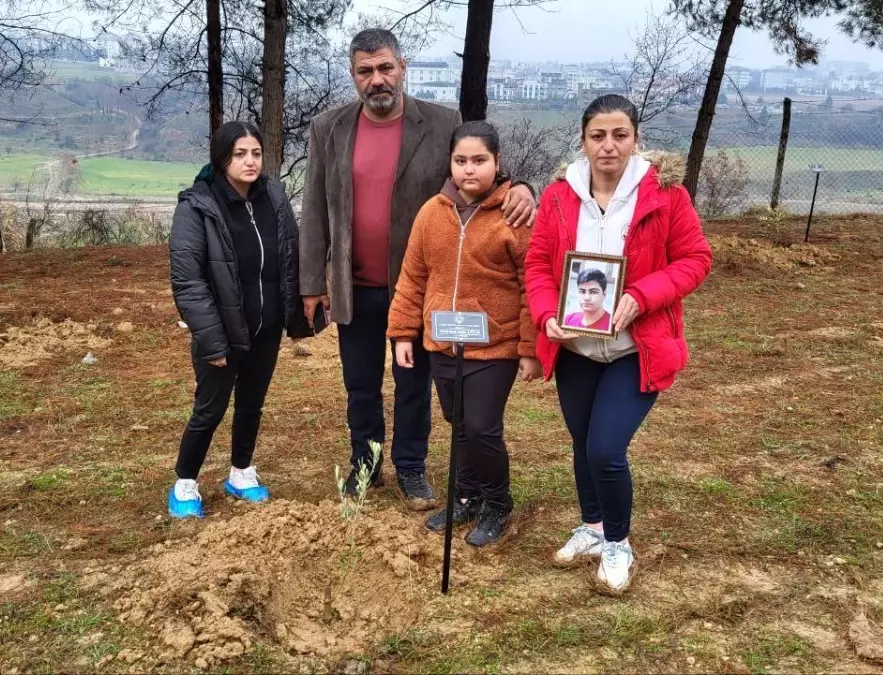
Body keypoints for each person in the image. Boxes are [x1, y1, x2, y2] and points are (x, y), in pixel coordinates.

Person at [299, 28, 537, 508]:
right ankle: (365, 465)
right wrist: (311, 284)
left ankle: (411, 468)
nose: (377, 79)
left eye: (385, 67)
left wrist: (523, 186)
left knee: (414, 384)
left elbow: (476, 171)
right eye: (365, 71)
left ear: (402, 68)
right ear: (353, 76)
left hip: (423, 286)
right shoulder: (329, 128)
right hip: (354, 285)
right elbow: (315, 210)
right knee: (360, 385)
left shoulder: (443, 121)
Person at [524, 95, 712, 592]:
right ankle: (592, 527)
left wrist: (641, 295)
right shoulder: (559, 197)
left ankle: (618, 543)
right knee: (583, 443)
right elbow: (539, 265)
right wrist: (546, 314)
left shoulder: (666, 196)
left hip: (636, 349)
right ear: (583, 141)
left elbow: (695, 260)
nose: (609, 146)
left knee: (606, 449)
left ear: (635, 139)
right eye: (598, 136)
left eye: (620, 135)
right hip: (577, 349)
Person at [387, 121, 541, 546]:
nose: (469, 170)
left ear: (498, 162)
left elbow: (534, 284)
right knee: (458, 425)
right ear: (450, 164)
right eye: (461, 161)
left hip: (496, 345)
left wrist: (530, 348)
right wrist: (403, 333)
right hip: (443, 342)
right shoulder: (431, 213)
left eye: (479, 161)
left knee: (482, 427)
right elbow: (413, 277)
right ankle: (466, 495)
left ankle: (497, 502)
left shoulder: (515, 215)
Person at [167, 121, 312, 519]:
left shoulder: (274, 198)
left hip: (266, 327)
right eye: (239, 154)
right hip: (223, 333)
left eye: (256, 153)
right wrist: (211, 340)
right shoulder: (197, 207)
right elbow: (188, 282)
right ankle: (185, 482)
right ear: (222, 158)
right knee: (209, 409)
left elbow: (290, 257)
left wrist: (296, 315)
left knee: (251, 404)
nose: (250, 162)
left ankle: (241, 472)